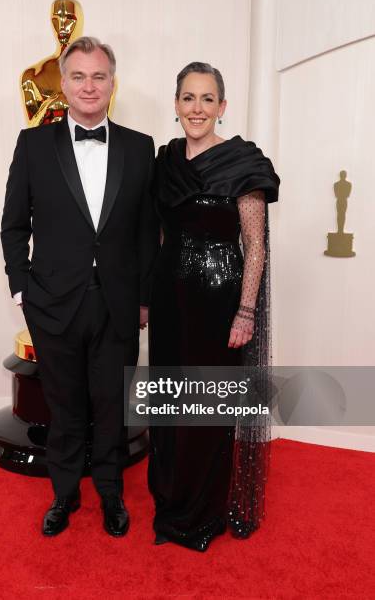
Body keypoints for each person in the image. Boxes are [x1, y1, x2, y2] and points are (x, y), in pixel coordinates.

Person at [1, 36, 159, 538]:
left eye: (99, 76)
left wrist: (144, 298)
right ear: (64, 84)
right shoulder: (33, 145)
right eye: (79, 76)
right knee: (66, 407)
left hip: (117, 304)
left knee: (112, 405)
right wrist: (22, 289)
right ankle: (64, 494)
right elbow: (13, 225)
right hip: (52, 304)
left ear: (113, 83)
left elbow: (145, 230)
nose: (89, 86)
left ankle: (110, 493)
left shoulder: (139, 147)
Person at [148, 62, 279, 551]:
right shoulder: (165, 163)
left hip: (219, 301)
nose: (197, 108)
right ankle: (170, 500)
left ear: (222, 107)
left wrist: (245, 312)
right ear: (176, 103)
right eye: (188, 98)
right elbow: (163, 234)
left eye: (207, 99)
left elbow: (255, 245)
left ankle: (199, 514)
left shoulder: (243, 162)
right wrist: (150, 295)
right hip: (169, 299)